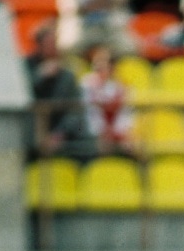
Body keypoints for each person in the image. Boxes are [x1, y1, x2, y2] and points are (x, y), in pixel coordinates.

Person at [24, 18, 97, 161]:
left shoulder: (66, 75)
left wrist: (59, 135)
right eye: (48, 43)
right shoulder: (25, 68)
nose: (53, 47)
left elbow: (74, 109)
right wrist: (40, 76)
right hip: (31, 133)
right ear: (38, 45)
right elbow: (21, 99)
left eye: (54, 43)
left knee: (88, 145)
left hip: (61, 134)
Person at [81, 45, 136, 155]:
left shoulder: (121, 87)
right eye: (97, 63)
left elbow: (126, 114)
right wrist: (102, 131)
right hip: (93, 133)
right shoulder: (86, 84)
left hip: (117, 132)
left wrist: (117, 131)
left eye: (104, 63)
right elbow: (88, 113)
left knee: (131, 145)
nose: (99, 67)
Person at [56, 0, 138, 59]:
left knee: (131, 48)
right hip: (82, 27)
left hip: (110, 27)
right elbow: (67, 8)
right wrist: (87, 5)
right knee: (65, 48)